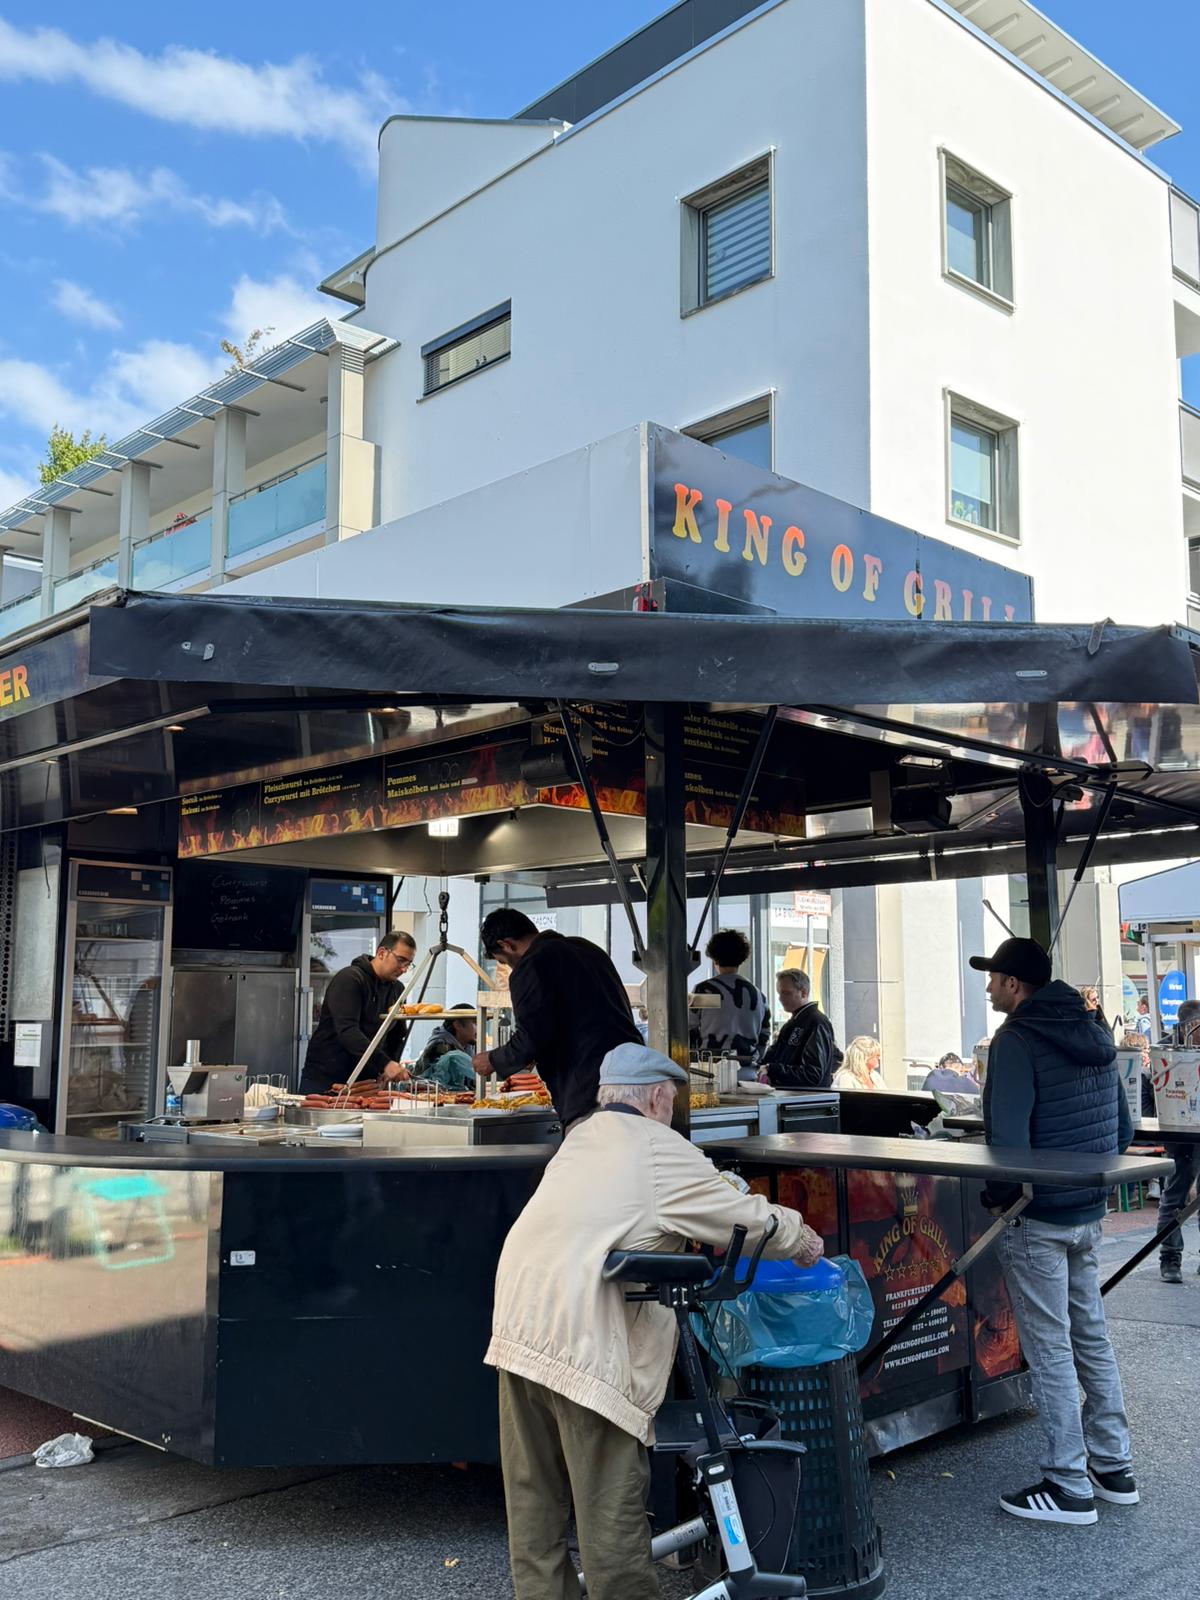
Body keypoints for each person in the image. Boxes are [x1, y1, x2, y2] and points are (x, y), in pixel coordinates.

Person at [486, 1042, 824, 1600]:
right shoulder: (656, 1146)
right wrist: (801, 1236)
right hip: (583, 1341)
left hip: (518, 1330)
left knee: (534, 1504)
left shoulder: (580, 1139)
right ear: (656, 1099)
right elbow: (742, 1217)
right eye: (671, 1101)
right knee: (609, 1510)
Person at [974, 936, 1137, 1525]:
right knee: (1090, 1337)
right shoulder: (1094, 1032)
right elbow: (1122, 1131)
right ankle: (1113, 1467)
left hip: (1036, 1215)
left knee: (1048, 1348)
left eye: (994, 978)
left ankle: (1068, 1484)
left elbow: (1008, 1143)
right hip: (1087, 1212)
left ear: (1015, 985)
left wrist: (998, 1200)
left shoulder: (1015, 1040)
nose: (989, 987)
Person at [472, 909, 640, 1133]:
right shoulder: (588, 949)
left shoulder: (532, 964)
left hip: (591, 1091)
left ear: (506, 944)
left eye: (504, 962)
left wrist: (493, 1060)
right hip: (637, 1080)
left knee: (593, 1154)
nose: (509, 967)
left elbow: (532, 1036)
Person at [299, 931, 416, 1094]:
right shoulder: (350, 979)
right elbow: (348, 1031)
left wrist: (390, 1065)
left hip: (365, 1084)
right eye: (400, 960)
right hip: (326, 1078)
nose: (404, 969)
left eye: (409, 964)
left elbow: (396, 1036)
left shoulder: (397, 989)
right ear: (381, 953)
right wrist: (385, 1063)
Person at [1156, 997, 1200, 1284]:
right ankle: (1170, 1257)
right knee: (1175, 1196)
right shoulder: (1167, 1051)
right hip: (1181, 1131)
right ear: (1186, 1026)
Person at [688, 928, 770, 1071]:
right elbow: (764, 1035)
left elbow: (690, 1028)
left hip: (710, 1070)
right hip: (747, 1070)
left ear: (713, 958)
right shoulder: (758, 995)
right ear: (742, 958)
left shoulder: (703, 990)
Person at [760, 968, 842, 1089]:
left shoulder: (816, 1022)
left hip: (806, 1097)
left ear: (803, 993)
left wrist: (772, 1069)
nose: (781, 998)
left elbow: (813, 1074)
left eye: (786, 993)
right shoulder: (794, 1023)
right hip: (796, 1095)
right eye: (779, 993)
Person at [412, 1005, 478, 1091]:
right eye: (475, 1023)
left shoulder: (469, 1045)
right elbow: (434, 1086)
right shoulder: (440, 1047)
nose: (480, 1027)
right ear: (458, 1025)